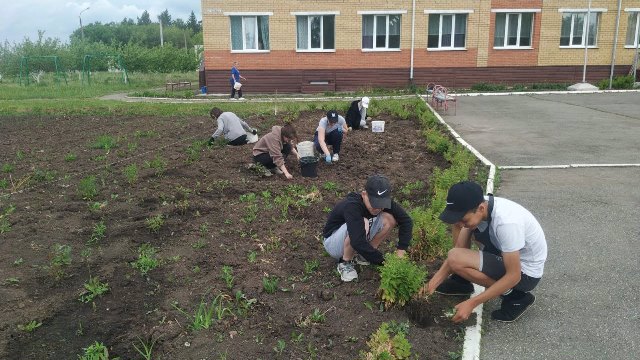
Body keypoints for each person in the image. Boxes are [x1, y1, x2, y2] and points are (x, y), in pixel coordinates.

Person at [419, 181, 547, 323]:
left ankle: (515, 297)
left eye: (464, 219)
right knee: (458, 246)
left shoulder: (507, 223)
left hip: (525, 273)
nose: (460, 223)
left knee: (456, 257)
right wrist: (430, 287)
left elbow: (514, 276)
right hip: (502, 254)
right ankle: (461, 280)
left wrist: (472, 303)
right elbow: (458, 251)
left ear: (480, 208)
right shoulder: (479, 204)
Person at [322, 174, 413, 282]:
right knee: (363, 222)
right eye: (374, 203)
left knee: (389, 218)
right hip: (333, 243)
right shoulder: (352, 206)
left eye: (381, 204)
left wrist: (401, 250)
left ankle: (364, 256)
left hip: (355, 238)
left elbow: (406, 221)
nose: (378, 208)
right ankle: (344, 262)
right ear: (364, 194)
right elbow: (357, 241)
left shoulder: (383, 203)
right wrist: (384, 262)